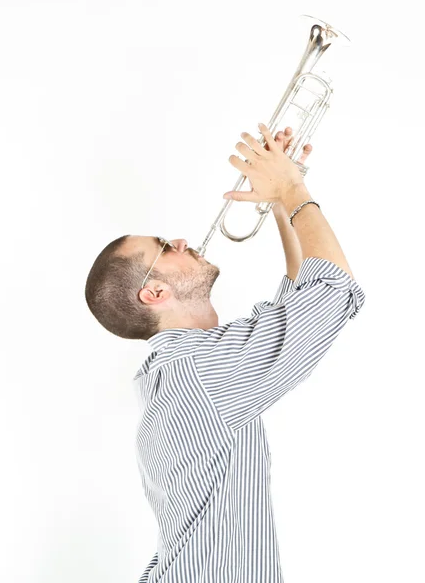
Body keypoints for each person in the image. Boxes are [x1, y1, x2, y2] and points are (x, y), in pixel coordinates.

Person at [85, 123, 366, 582]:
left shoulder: (177, 368)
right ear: (154, 292)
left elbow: (296, 307)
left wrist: (279, 204)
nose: (178, 240)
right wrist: (292, 188)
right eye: (162, 248)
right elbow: (332, 291)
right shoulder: (199, 369)